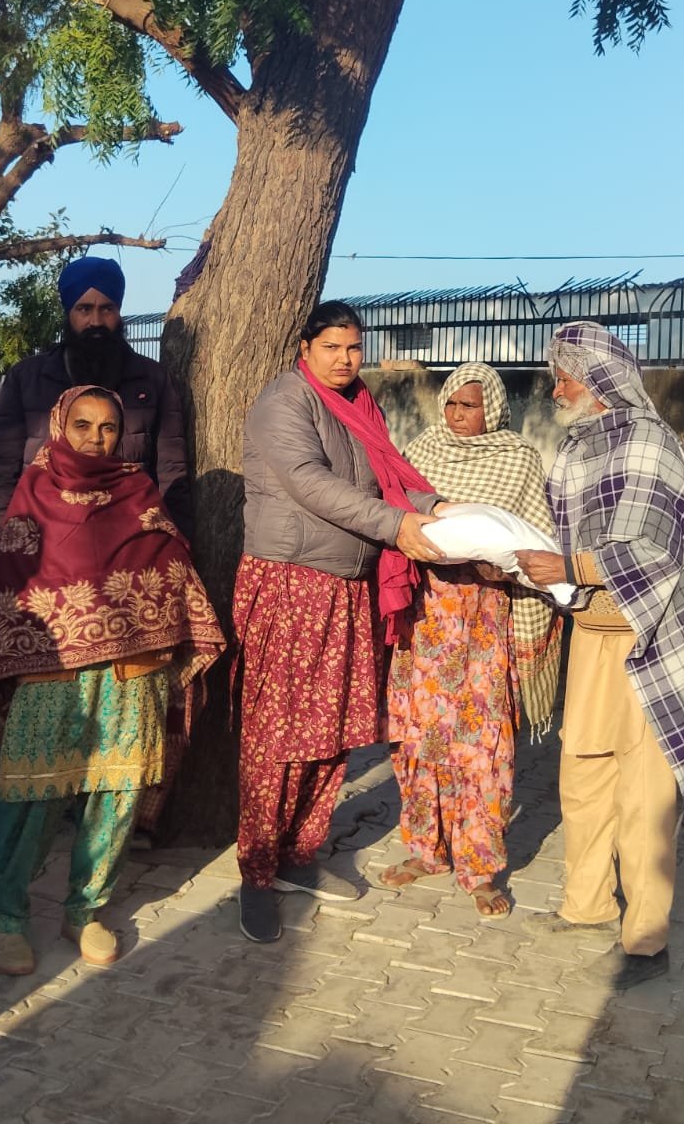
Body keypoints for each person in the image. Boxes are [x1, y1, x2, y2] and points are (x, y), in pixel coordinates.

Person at [0, 385, 225, 976]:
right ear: (60, 426)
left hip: (134, 667)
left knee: (117, 794)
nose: (96, 438)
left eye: (108, 427)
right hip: (52, 672)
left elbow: (171, 565)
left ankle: (87, 909)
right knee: (31, 794)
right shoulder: (35, 490)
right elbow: (16, 582)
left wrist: (161, 616)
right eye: (83, 425)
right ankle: (4, 916)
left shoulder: (138, 489)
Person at [515, 322, 684, 990]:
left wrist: (571, 566)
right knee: (582, 773)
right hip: (593, 633)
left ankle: (645, 937)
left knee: (645, 793)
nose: (556, 391)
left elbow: (655, 550)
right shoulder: (576, 448)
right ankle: (584, 905)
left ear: (597, 381)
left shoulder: (650, 442)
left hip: (653, 637)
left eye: (565, 378)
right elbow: (560, 534)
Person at [235, 301, 448, 945]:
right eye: (331, 347)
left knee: (333, 730)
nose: (345, 359)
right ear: (305, 348)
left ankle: (300, 854)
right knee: (277, 734)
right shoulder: (286, 401)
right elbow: (309, 483)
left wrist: (439, 508)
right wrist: (399, 527)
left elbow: (387, 484)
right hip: (291, 581)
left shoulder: (359, 407)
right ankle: (256, 873)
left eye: (354, 348)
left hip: (348, 585)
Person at [381, 363, 562, 917]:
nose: (459, 415)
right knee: (418, 739)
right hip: (422, 619)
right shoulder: (421, 450)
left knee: (482, 745)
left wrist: (498, 569)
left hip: (483, 624)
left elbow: (536, 541)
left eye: (471, 406)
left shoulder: (518, 459)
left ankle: (480, 868)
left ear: (495, 409)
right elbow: (394, 515)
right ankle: (425, 850)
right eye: (453, 404)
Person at [0, 255, 190, 571]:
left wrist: (177, 547)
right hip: (42, 549)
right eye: (84, 309)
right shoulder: (26, 379)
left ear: (119, 311)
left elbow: (172, 472)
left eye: (107, 309)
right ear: (68, 313)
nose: (96, 321)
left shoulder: (153, 380)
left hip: (127, 548)